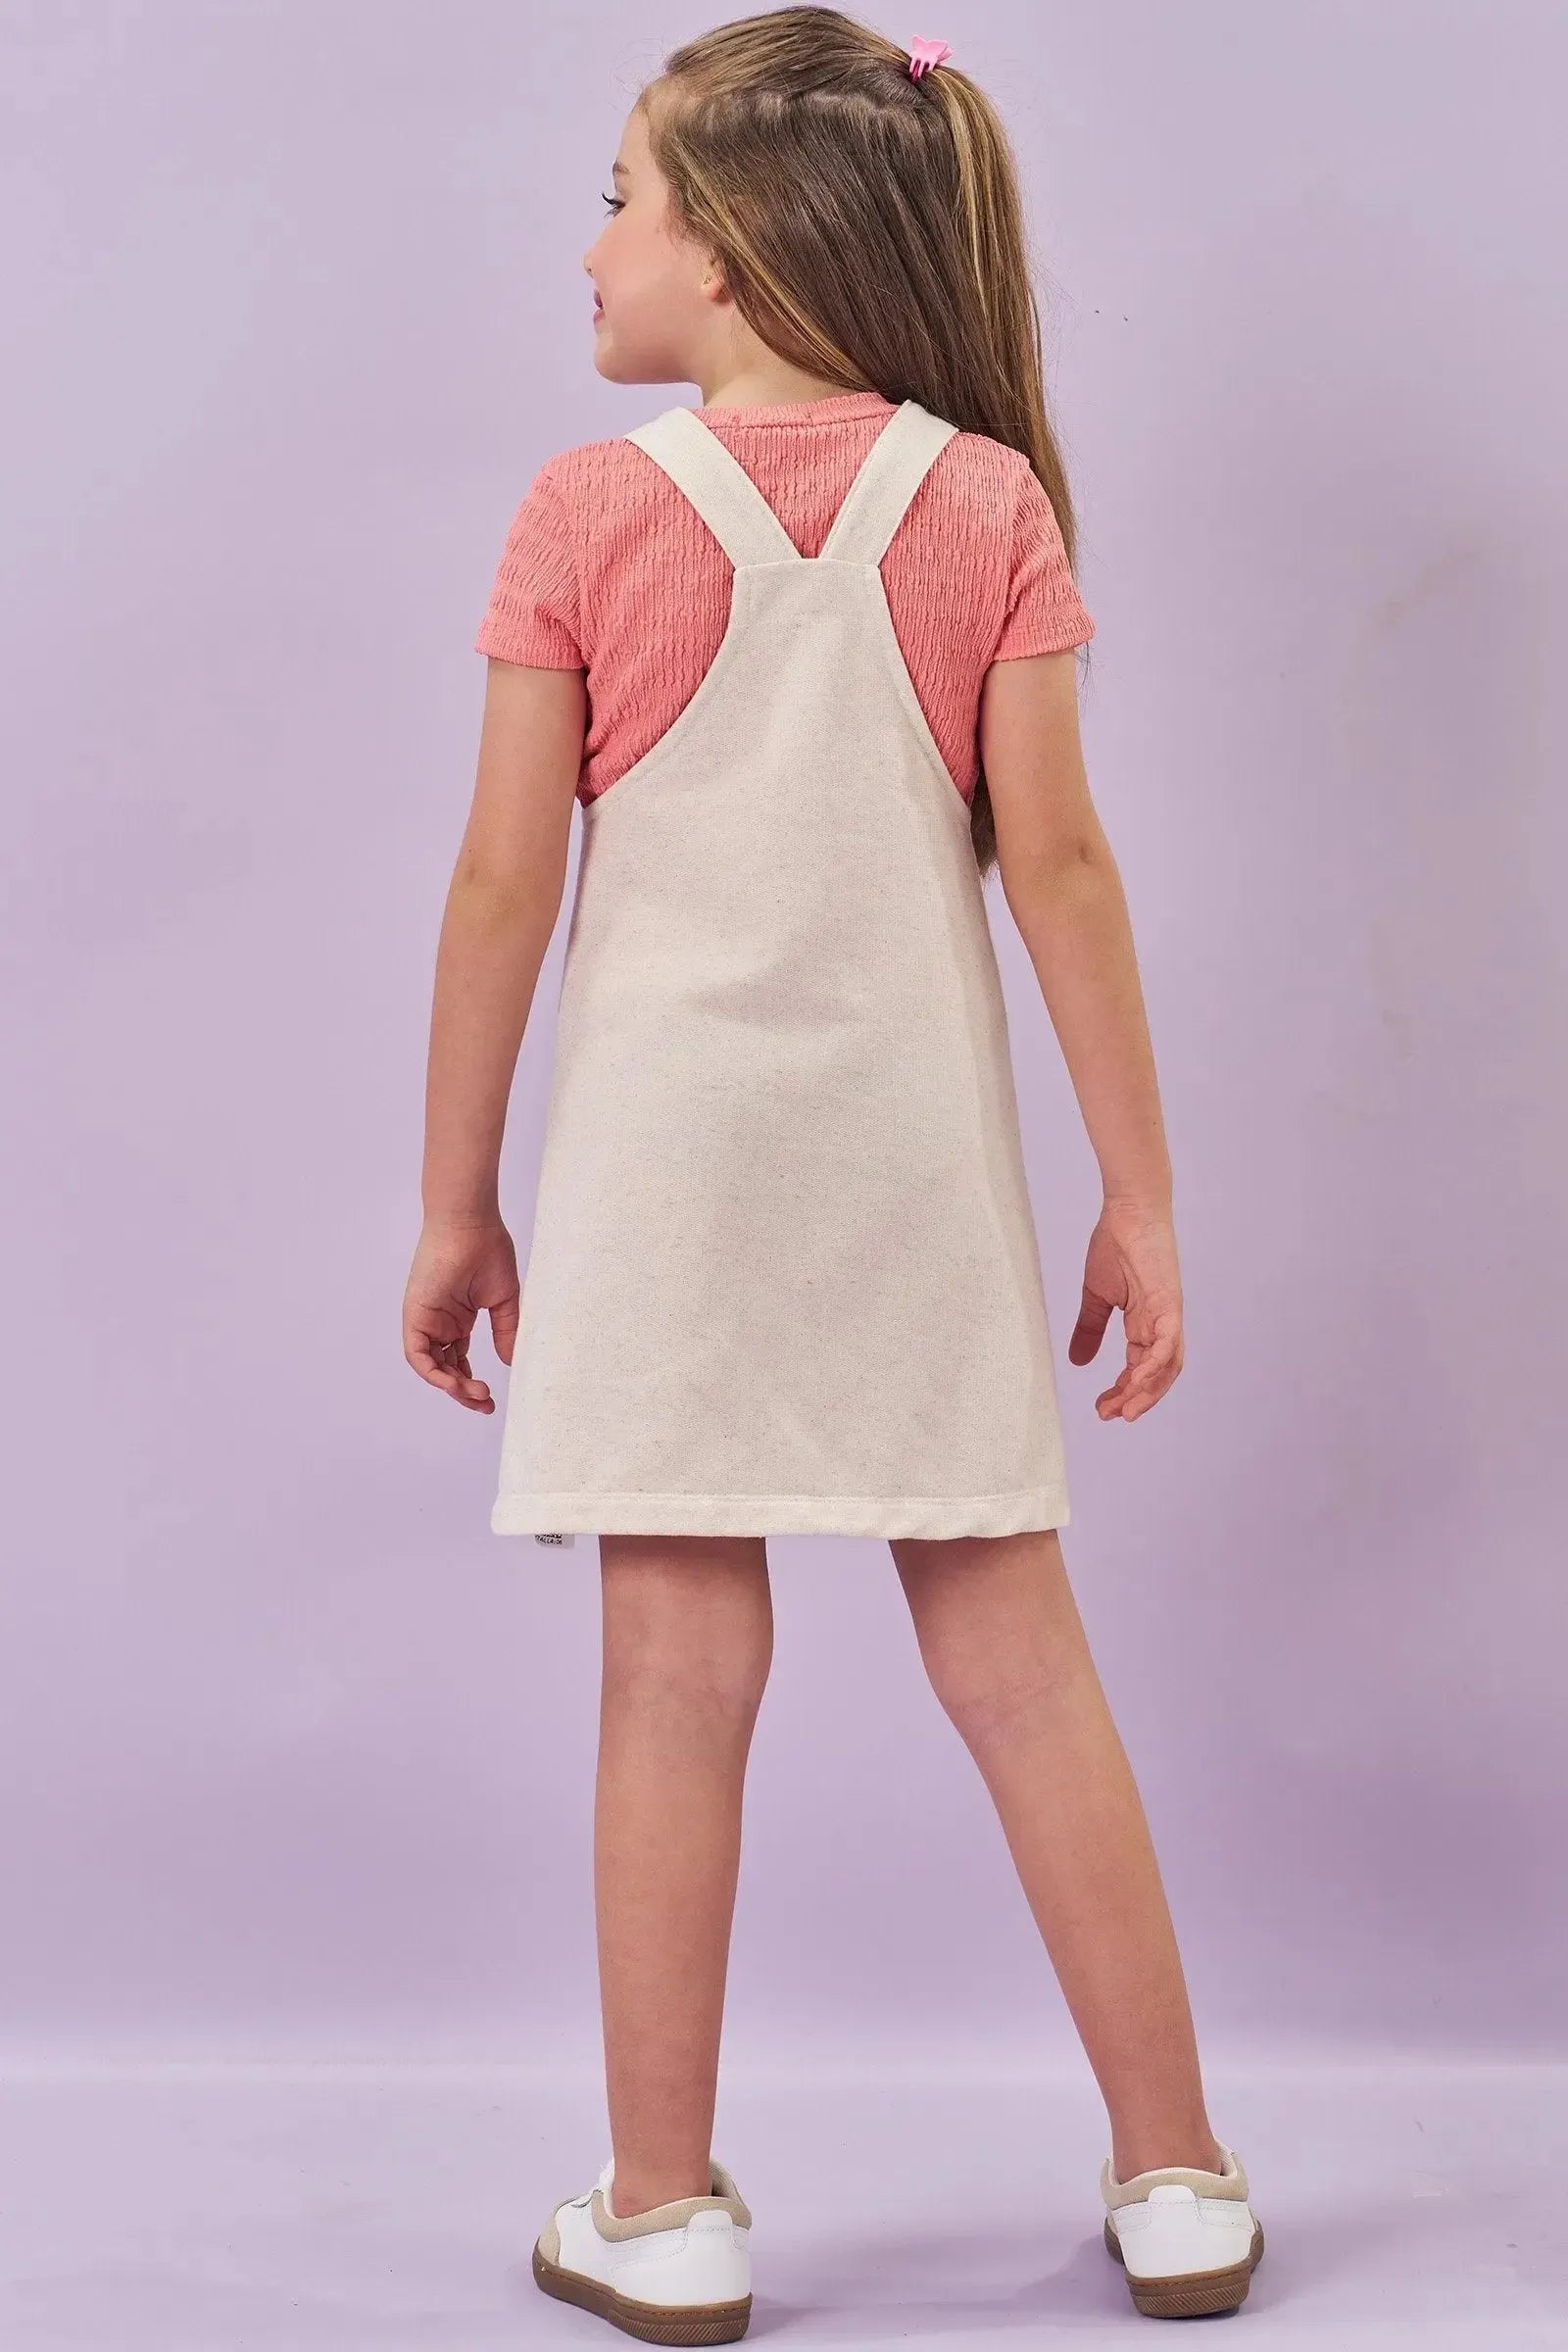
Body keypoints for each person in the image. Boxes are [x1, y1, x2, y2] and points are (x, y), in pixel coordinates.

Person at [403, 7, 1264, 2335]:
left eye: (617, 198)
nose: (587, 245)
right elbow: (1057, 868)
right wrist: (1139, 1196)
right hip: (913, 1187)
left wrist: (455, 1201)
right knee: (1020, 1665)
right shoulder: (983, 506)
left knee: (671, 1673)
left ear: (733, 244)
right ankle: (1174, 2174)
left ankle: (660, 2209)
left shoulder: (581, 515)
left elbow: (500, 888)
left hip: (665, 1186)